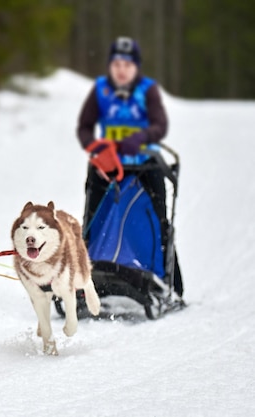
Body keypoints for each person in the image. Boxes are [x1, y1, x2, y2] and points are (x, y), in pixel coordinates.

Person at [76, 36, 183, 297]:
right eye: (116, 64)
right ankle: (84, 275)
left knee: (159, 222)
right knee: (92, 220)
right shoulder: (101, 89)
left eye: (127, 64)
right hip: (107, 167)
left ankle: (170, 282)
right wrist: (97, 148)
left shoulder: (148, 90)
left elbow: (160, 125)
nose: (121, 69)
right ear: (110, 66)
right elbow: (85, 128)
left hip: (145, 166)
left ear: (136, 67)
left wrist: (141, 137)